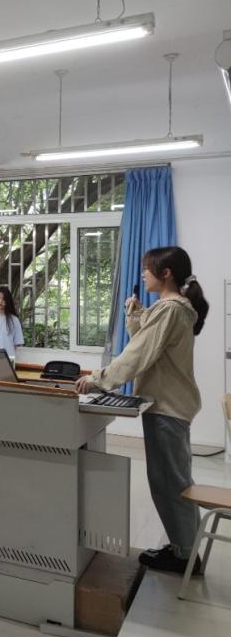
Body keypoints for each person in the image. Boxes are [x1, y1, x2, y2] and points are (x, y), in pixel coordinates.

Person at [75, 246, 209, 575]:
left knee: (170, 484)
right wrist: (135, 316)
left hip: (167, 407)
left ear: (166, 274)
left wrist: (97, 380)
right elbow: (148, 345)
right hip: (169, 406)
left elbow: (137, 355)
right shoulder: (172, 308)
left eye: (147, 270)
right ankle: (185, 549)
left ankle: (185, 557)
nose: (143, 275)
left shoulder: (170, 309)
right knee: (174, 481)